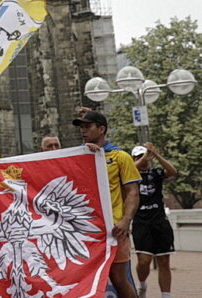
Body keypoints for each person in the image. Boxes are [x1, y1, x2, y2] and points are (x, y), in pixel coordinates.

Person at [75, 109, 140, 298]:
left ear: (101, 129)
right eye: (81, 127)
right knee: (84, 280)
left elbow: (132, 192)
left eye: (88, 126)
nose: (83, 131)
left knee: (119, 279)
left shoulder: (121, 157)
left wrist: (126, 221)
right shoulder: (78, 156)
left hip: (114, 230)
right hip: (85, 230)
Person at [131, 143, 177, 298]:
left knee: (164, 261)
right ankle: (142, 284)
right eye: (138, 157)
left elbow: (172, 171)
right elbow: (127, 168)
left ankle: (166, 295)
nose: (143, 160)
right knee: (144, 261)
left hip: (159, 222)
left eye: (144, 156)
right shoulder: (130, 176)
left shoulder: (155, 173)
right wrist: (144, 156)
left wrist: (155, 154)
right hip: (141, 222)